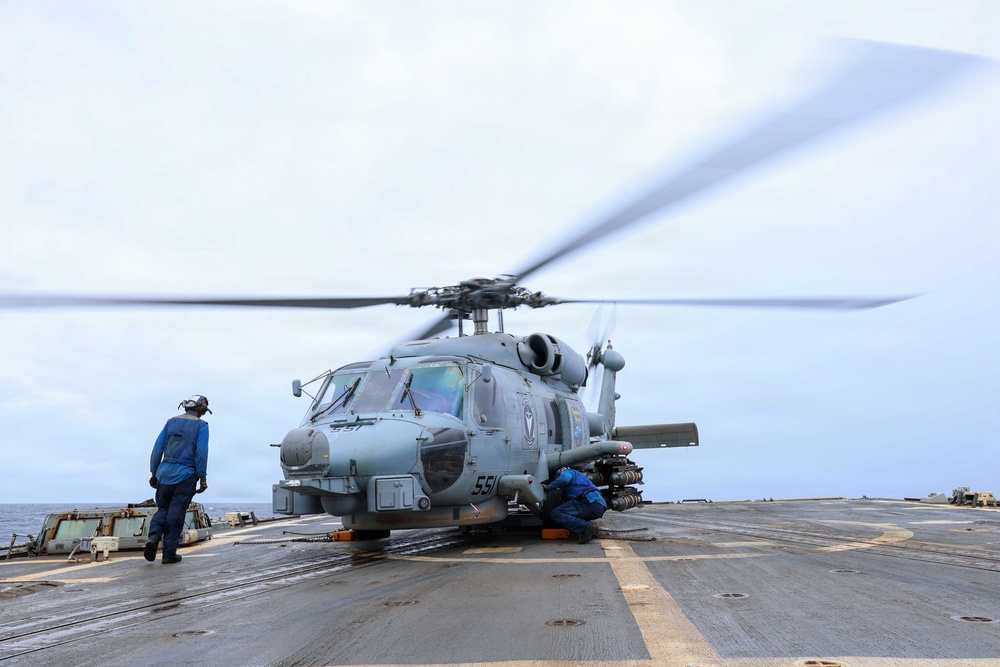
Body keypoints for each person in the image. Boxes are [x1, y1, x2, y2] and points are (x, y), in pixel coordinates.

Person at [145, 395, 211, 564]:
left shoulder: (170, 422)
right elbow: (201, 453)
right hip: (186, 476)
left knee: (163, 509)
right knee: (176, 513)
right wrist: (202, 477)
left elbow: (158, 447)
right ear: (201, 409)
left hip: (164, 474)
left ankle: (153, 538)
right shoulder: (202, 426)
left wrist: (154, 472)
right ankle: (169, 554)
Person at [543, 466, 607, 544]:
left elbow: (565, 478)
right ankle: (585, 530)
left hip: (589, 503)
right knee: (568, 512)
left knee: (557, 513)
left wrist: (549, 487)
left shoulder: (568, 472)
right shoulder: (580, 479)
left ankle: (587, 527)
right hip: (598, 506)